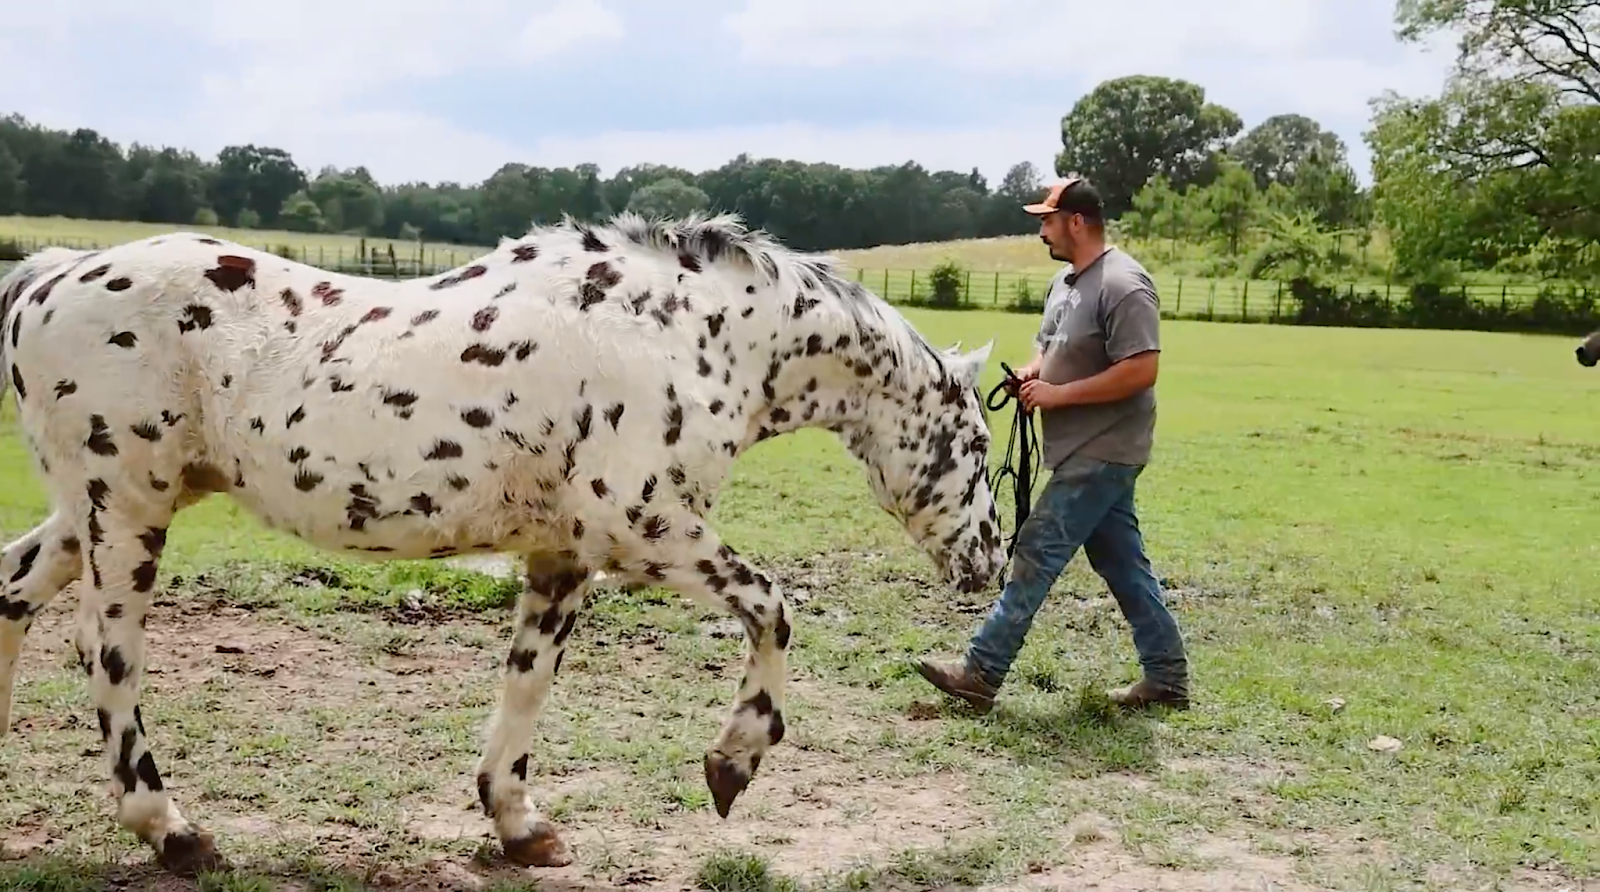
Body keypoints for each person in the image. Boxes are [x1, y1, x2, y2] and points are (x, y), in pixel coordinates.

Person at [915, 177, 1190, 714]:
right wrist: (1030, 375)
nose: (1041, 229)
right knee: (1122, 563)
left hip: (1106, 448)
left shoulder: (1125, 285)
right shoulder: (1065, 284)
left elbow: (1141, 368)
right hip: (1076, 447)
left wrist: (1059, 395)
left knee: (1036, 551)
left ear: (1077, 222)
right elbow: (1051, 347)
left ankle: (981, 670)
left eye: (1047, 220)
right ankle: (1168, 676)